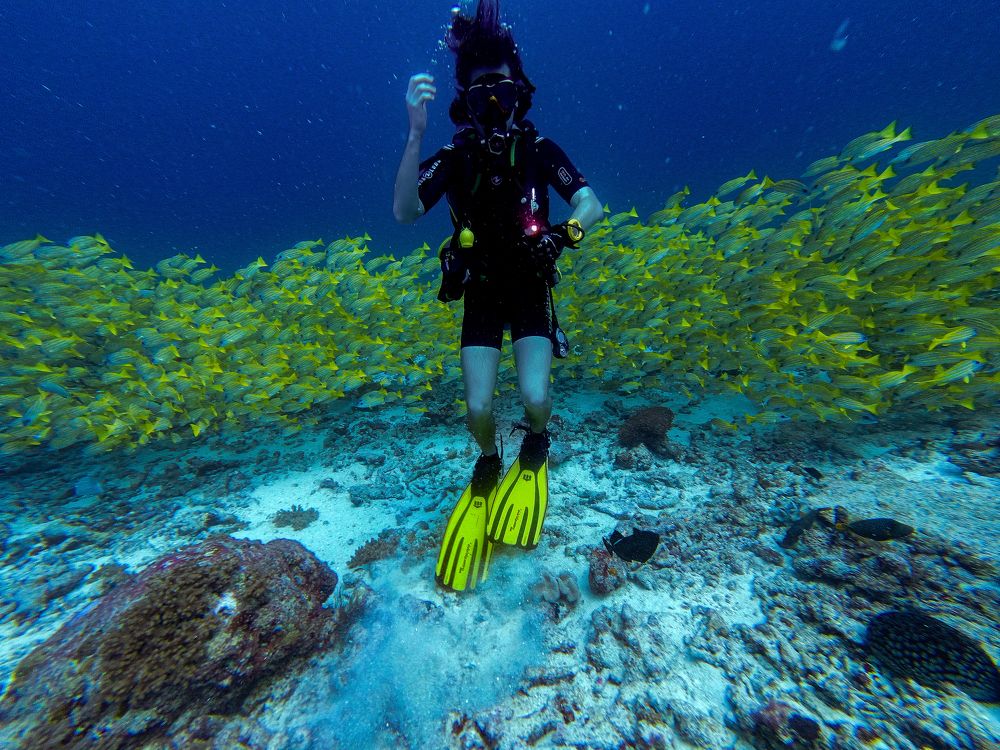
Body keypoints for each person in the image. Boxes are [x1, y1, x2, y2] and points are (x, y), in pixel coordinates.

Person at [393, 0, 602, 592]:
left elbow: (590, 203)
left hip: (532, 288)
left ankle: (536, 445)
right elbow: (406, 212)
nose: (492, 101)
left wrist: (564, 235)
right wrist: (414, 135)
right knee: (479, 411)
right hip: (482, 292)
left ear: (520, 94)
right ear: (464, 98)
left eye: (502, 90)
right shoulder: (457, 158)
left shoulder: (541, 150)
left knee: (535, 394)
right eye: (480, 90)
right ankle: (489, 462)